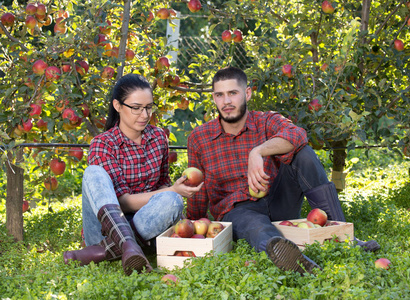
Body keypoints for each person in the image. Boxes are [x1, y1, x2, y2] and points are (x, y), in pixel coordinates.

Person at [186, 66, 380, 274]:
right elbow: (198, 190)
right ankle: (291, 258)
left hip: (278, 200)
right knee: (256, 227)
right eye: (219, 95)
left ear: (247, 93)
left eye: (233, 93)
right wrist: (191, 231)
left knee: (303, 154)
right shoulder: (199, 138)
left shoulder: (266, 121)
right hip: (238, 210)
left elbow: (297, 135)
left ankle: (344, 236)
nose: (226, 102)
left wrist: (258, 152)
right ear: (214, 98)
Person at [63, 73, 202, 275]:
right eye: (136, 108)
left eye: (148, 107)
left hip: (146, 225)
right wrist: (172, 191)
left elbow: (163, 184)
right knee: (93, 172)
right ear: (118, 106)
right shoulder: (103, 144)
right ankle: (126, 245)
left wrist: (175, 191)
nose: (144, 115)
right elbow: (121, 202)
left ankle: (106, 252)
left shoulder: (158, 138)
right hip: (104, 231)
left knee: (172, 199)